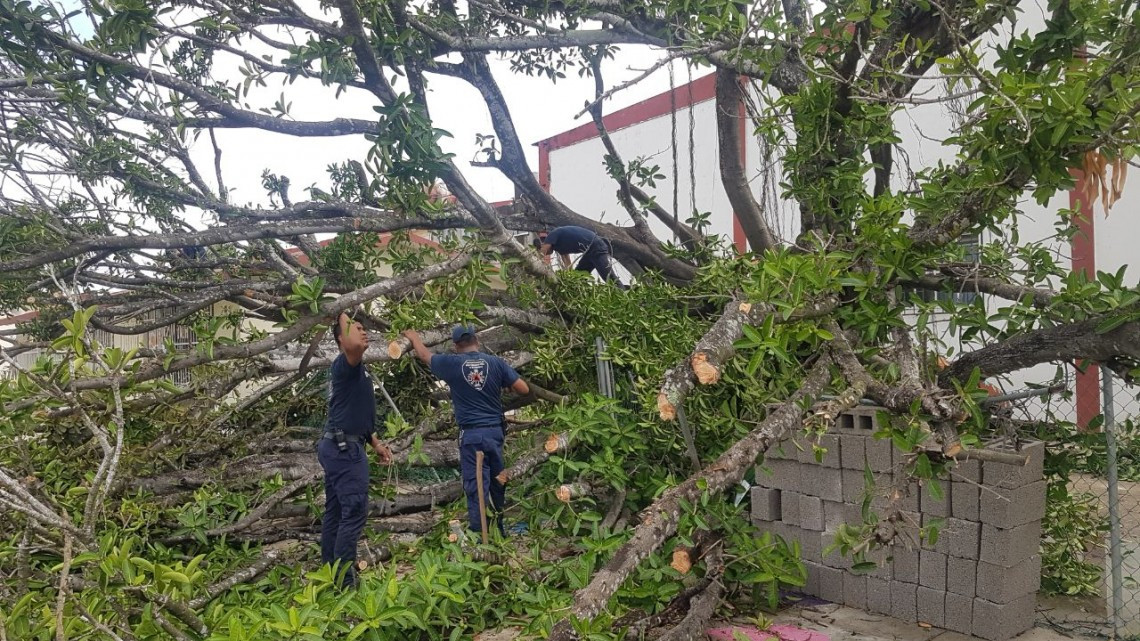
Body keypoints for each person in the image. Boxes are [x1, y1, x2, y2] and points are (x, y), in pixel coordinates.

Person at [402, 325, 530, 537]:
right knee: (498, 480)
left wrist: (414, 336)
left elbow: (424, 355)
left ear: (455, 346)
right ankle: (498, 532)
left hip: (472, 434)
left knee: (475, 485)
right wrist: (505, 384)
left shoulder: (452, 363)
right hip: (494, 432)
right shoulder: (495, 363)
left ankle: (481, 536)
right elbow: (523, 389)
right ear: (476, 341)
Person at [318, 310, 393, 587]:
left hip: (343, 444)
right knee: (354, 512)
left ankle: (330, 572)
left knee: (336, 512)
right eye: (356, 328)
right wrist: (341, 309)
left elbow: (355, 411)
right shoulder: (346, 362)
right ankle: (346, 583)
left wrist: (374, 442)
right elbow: (355, 344)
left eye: (364, 328)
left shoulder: (355, 368)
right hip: (343, 450)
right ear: (341, 338)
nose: (363, 332)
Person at [535, 225, 623, 285]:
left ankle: (623, 295)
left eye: (541, 248)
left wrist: (537, 261)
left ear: (543, 244)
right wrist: (568, 277)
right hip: (589, 251)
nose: (547, 254)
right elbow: (566, 261)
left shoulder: (552, 235)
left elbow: (544, 250)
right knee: (577, 278)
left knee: (609, 278)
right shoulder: (558, 246)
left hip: (596, 246)